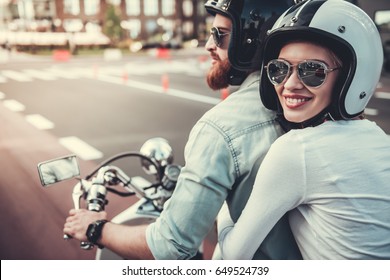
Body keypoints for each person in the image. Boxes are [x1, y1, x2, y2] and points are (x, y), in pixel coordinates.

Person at [63, 0, 302, 260]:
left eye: (219, 35)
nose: (209, 45)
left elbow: (170, 247)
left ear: (250, 40)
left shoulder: (222, 128)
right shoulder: (310, 104)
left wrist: (96, 228)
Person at [217, 0, 390, 259]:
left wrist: (223, 204)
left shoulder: (297, 150)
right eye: (279, 69)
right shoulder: (379, 139)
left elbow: (233, 256)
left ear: (350, 78)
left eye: (313, 71)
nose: (290, 84)